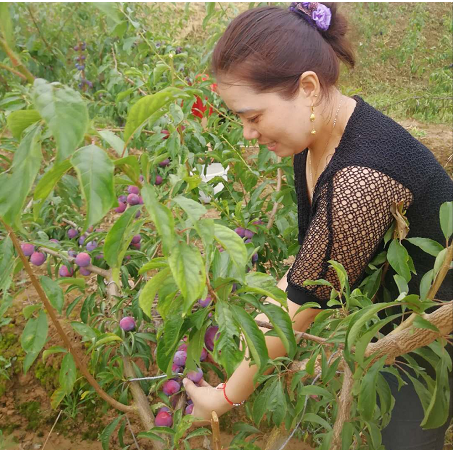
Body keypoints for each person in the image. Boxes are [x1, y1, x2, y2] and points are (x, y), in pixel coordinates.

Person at [183, 3, 453, 449]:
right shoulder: (315, 139)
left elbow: (303, 306)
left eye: (254, 117)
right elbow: (310, 266)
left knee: (406, 433)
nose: (248, 134)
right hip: (397, 304)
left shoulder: (361, 176)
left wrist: (224, 397)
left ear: (308, 88)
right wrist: (255, 327)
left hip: (436, 324)